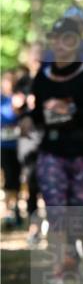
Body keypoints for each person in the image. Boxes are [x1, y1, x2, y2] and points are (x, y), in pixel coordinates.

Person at [27, 17, 83, 284]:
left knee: (78, 212)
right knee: (56, 212)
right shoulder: (43, 76)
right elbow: (37, 113)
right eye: (57, 38)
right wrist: (32, 118)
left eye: (68, 38)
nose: (61, 44)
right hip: (52, 153)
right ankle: (57, 274)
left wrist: (70, 109)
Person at [14, 43, 45, 245]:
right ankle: (34, 225)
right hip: (28, 139)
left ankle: (53, 223)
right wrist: (21, 104)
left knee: (51, 182)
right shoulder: (23, 81)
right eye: (33, 56)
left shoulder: (51, 79)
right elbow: (15, 107)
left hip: (48, 136)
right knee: (31, 181)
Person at [1, 70, 22, 229]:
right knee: (8, 178)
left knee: (17, 179)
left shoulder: (18, 99)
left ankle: (14, 208)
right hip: (3, 147)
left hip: (18, 146)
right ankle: (9, 211)